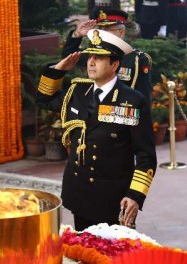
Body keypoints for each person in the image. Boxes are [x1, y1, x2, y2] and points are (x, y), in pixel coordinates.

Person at [37, 29, 157, 231]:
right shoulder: (77, 91)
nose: (90, 62)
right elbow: (44, 100)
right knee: (85, 255)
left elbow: (145, 156)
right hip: (80, 194)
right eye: (90, 57)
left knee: (114, 256)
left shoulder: (132, 101)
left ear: (114, 65)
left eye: (99, 58)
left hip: (113, 197)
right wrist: (59, 69)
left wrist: (135, 196)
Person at [62, 8, 153, 102]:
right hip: (93, 106)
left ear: (121, 32)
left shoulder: (136, 59)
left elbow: (143, 96)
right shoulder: (94, 54)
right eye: (101, 29)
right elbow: (68, 55)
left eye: (107, 29)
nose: (102, 33)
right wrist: (77, 34)